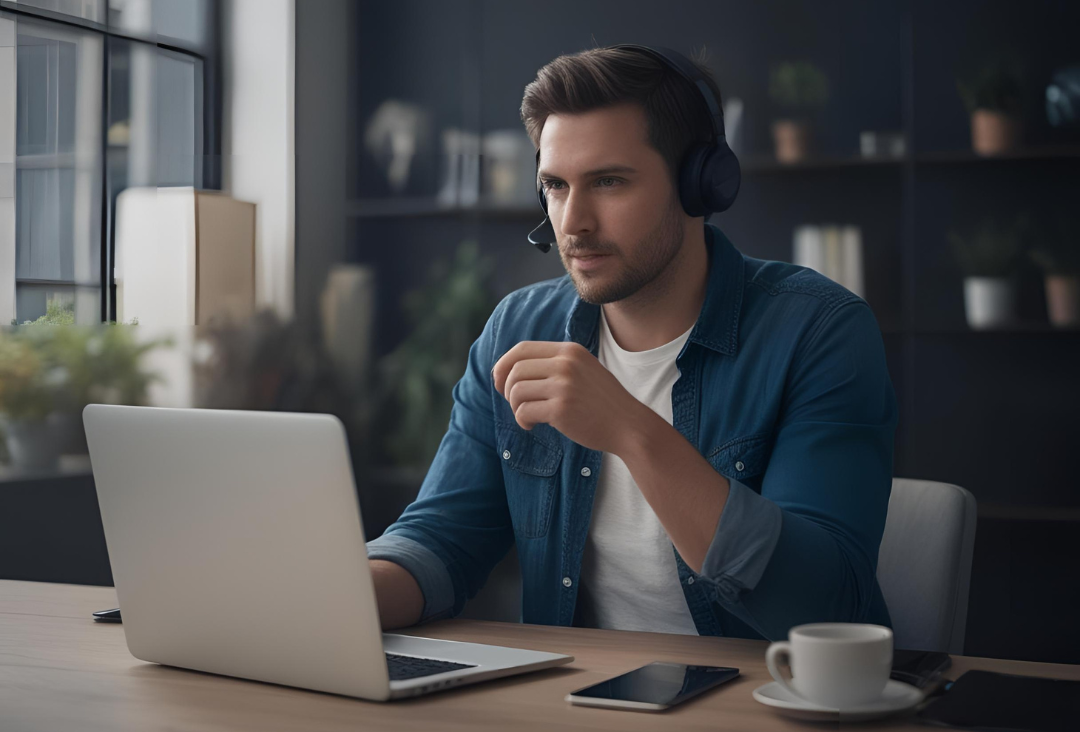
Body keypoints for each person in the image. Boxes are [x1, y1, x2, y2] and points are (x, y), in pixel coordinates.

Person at [366, 45, 897, 641]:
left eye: (609, 182)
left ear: (701, 184)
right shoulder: (516, 329)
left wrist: (629, 428)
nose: (573, 222)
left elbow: (826, 607)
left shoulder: (819, 331)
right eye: (556, 186)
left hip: (763, 704)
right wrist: (333, 593)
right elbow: (441, 541)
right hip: (575, 701)